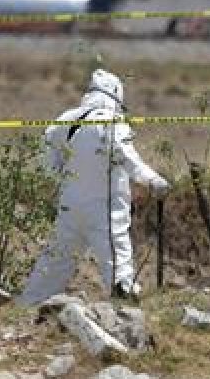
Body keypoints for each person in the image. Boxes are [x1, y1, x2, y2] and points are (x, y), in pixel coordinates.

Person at [19, 69, 169, 305]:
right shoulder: (111, 122)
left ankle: (29, 303)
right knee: (116, 256)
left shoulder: (67, 120)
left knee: (56, 259)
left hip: (70, 207)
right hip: (104, 209)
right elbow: (128, 157)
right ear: (116, 95)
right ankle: (124, 302)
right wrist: (153, 180)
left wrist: (57, 176)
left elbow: (47, 148)